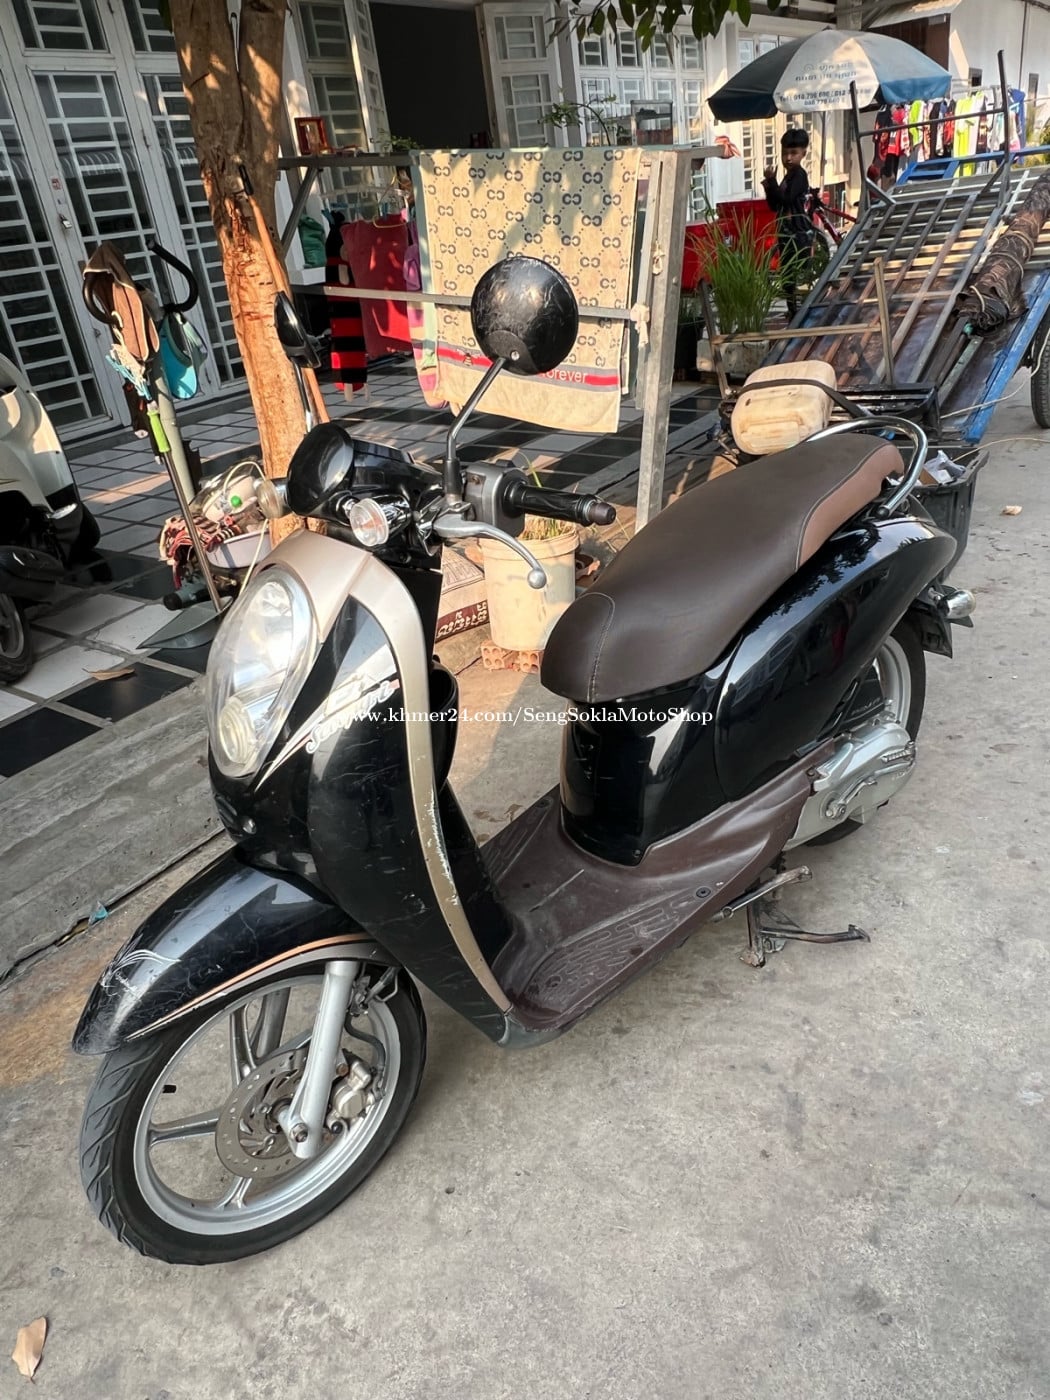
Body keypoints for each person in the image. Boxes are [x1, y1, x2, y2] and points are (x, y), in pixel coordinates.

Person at [762, 128, 814, 318]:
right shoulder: (788, 176)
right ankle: (793, 310)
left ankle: (801, 312)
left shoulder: (799, 175)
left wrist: (772, 183)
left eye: (793, 153)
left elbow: (787, 199)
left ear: (803, 154)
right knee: (787, 275)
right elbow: (775, 205)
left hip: (797, 233)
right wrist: (770, 185)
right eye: (785, 153)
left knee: (799, 274)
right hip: (786, 232)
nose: (788, 158)